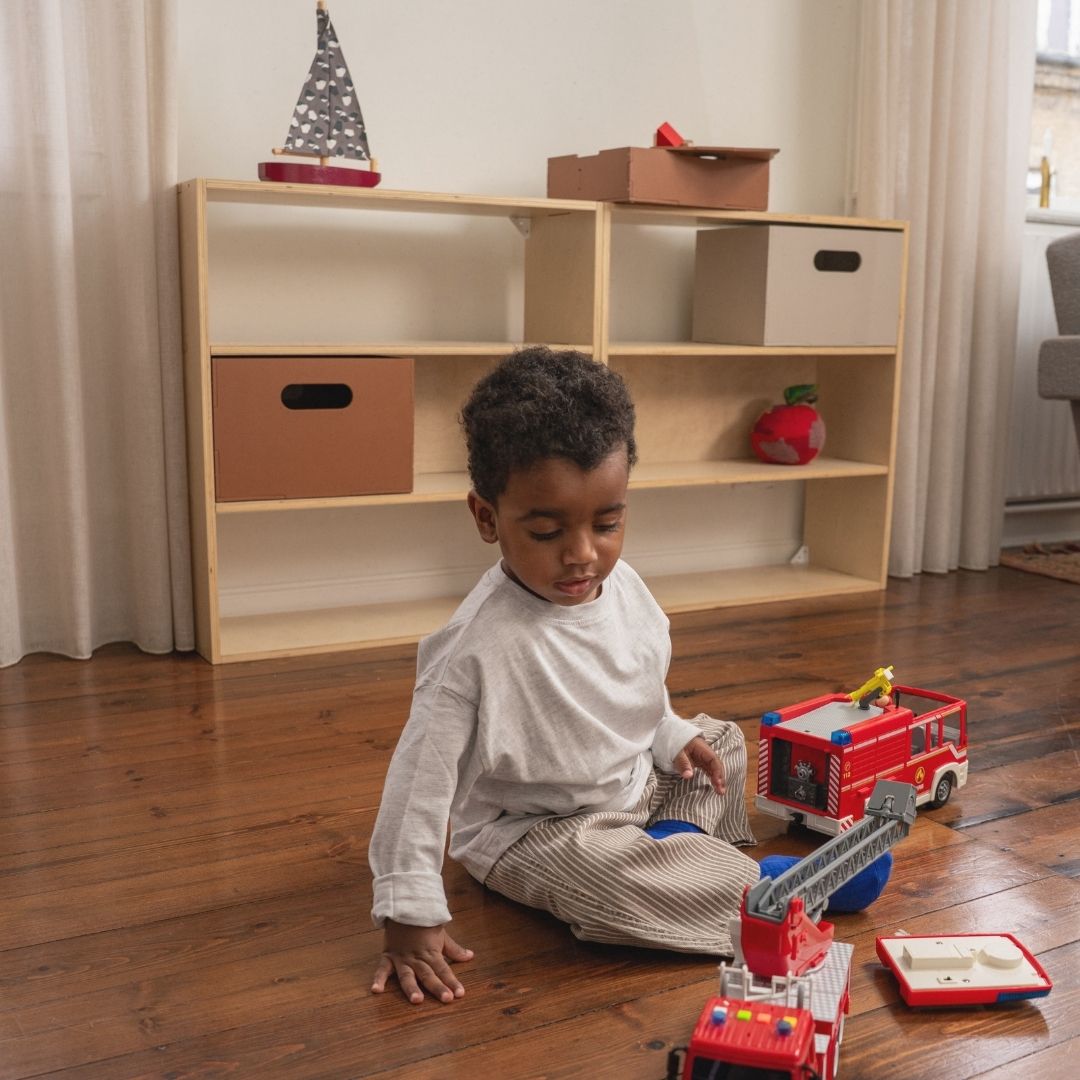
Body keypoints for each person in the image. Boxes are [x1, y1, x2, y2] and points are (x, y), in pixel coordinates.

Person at [368, 346, 889, 1006]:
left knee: (719, 740)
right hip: (539, 827)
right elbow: (418, 785)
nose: (583, 553)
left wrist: (669, 734)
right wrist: (409, 913)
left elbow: (635, 684)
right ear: (486, 517)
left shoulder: (623, 586)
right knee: (604, 877)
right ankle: (758, 889)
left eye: (607, 523)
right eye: (548, 530)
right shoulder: (472, 653)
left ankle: (679, 849)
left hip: (630, 782)